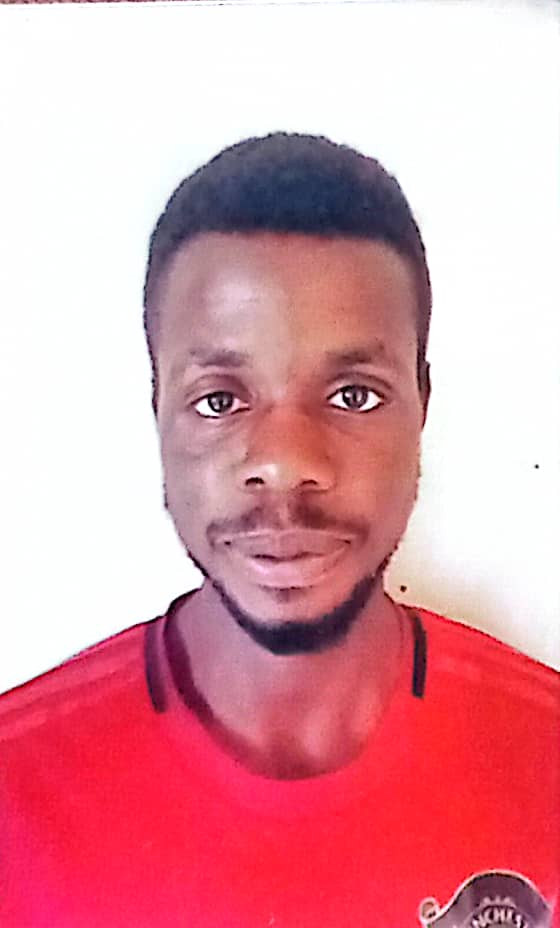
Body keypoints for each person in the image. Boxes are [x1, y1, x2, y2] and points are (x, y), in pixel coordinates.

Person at [1, 133, 558, 928]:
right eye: (220, 400)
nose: (286, 463)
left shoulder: (545, 761)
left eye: (354, 395)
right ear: (157, 412)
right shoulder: (15, 792)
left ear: (422, 406)